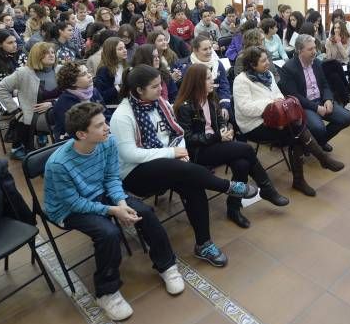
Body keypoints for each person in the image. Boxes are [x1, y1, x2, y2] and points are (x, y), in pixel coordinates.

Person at [44, 102, 185, 321]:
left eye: (105, 122)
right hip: (68, 209)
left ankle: (166, 265)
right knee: (108, 233)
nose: (107, 127)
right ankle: (107, 292)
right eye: (100, 125)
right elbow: (73, 203)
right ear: (81, 134)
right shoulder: (58, 164)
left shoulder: (107, 141)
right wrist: (112, 210)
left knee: (144, 213)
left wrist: (120, 202)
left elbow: (111, 177)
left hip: (101, 193)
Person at [110, 65, 258, 267]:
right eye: (155, 87)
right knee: (185, 171)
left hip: (170, 163)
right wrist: (172, 153)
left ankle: (203, 244)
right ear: (139, 91)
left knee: (193, 184)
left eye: (160, 85)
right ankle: (227, 187)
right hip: (136, 172)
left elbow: (177, 134)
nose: (161, 90)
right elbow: (130, 154)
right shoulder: (123, 115)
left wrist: (178, 153)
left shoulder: (160, 103)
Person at [175, 64, 290, 228]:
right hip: (199, 152)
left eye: (211, 76)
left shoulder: (210, 98)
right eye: (207, 78)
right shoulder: (184, 107)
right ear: (196, 82)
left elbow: (220, 121)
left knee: (242, 164)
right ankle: (266, 188)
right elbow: (187, 139)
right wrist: (217, 136)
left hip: (217, 144)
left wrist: (225, 130)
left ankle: (233, 208)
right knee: (247, 149)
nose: (212, 80)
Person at [233, 46, 344, 197]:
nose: (268, 63)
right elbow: (245, 108)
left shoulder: (268, 75)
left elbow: (279, 95)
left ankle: (306, 174)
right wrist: (271, 104)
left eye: (268, 59)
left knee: (296, 131)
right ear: (252, 64)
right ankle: (319, 162)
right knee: (296, 132)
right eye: (264, 60)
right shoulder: (241, 81)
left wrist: (276, 103)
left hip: (275, 118)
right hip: (253, 125)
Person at [281, 34, 350, 149]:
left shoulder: (317, 63)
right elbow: (295, 96)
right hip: (304, 105)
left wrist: (328, 99)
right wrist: (316, 108)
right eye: (310, 49)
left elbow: (325, 84)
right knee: (319, 128)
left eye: (315, 47)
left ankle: (315, 144)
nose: (315, 51)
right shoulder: (288, 69)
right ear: (300, 51)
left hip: (321, 100)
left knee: (347, 118)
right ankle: (315, 143)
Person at [0, 42, 60, 159]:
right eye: (46, 53)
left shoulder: (60, 70)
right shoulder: (24, 73)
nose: (51, 55)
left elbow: (70, 92)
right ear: (37, 56)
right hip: (32, 115)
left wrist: (53, 103)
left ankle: (48, 140)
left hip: (54, 109)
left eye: (53, 52)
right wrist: (15, 109)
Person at [178, 34, 232, 116]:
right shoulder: (189, 68)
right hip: (198, 107)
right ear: (195, 51)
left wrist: (224, 106)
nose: (209, 52)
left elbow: (224, 85)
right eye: (205, 49)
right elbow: (189, 93)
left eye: (210, 48)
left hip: (219, 103)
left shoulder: (217, 63)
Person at [52, 62, 105, 140]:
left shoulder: (94, 92)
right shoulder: (64, 104)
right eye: (84, 74)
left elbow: (105, 114)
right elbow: (73, 131)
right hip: (75, 140)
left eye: (88, 72)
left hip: (96, 134)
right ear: (72, 82)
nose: (90, 75)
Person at [323, 18, 350, 112]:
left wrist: (339, 43)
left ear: (342, 29)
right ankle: (347, 101)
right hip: (333, 65)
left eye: (338, 28)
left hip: (345, 65)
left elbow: (346, 56)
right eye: (335, 28)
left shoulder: (349, 39)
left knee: (335, 75)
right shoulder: (329, 40)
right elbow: (330, 58)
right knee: (334, 68)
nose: (336, 30)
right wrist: (332, 44)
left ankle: (346, 102)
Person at [94, 36, 128, 106]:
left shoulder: (125, 65)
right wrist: (120, 87)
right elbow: (102, 96)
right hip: (112, 107)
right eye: (120, 49)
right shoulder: (104, 70)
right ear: (111, 52)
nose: (125, 50)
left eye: (124, 47)